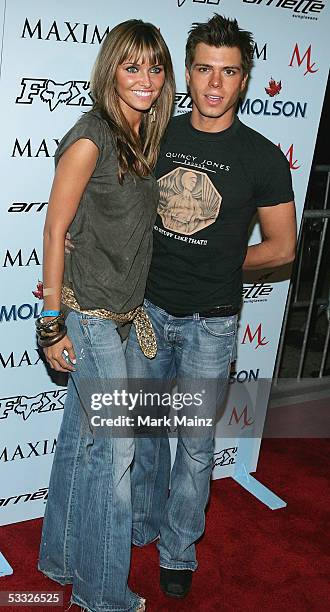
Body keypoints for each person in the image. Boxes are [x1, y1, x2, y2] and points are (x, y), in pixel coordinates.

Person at [125, 14, 297, 599]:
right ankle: (144, 525)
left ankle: (178, 550)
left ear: (244, 79)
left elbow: (283, 246)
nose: (214, 83)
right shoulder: (155, 134)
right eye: (203, 69)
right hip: (145, 312)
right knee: (143, 434)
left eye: (228, 72)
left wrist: (228, 261)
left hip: (212, 325)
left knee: (195, 447)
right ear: (189, 73)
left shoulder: (264, 158)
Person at [37, 19, 175, 612]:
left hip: (123, 316)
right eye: (131, 65)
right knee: (116, 453)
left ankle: (61, 560)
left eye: (154, 66)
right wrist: (50, 325)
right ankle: (102, 593)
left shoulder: (144, 139)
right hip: (90, 319)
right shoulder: (92, 135)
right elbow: (53, 228)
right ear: (110, 71)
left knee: (83, 446)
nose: (144, 78)